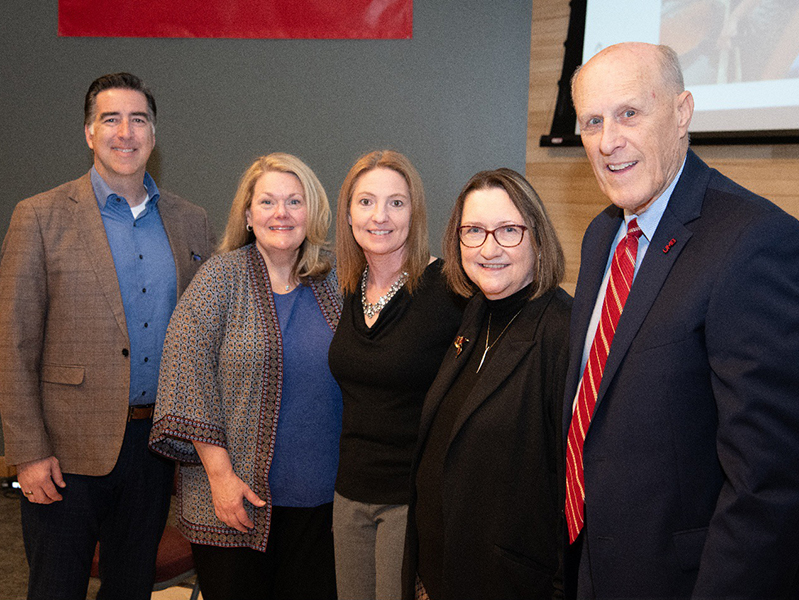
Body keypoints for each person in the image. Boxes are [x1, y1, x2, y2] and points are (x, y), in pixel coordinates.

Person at [564, 42, 799, 598]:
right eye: (592, 121)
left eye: (629, 113)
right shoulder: (603, 235)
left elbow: (768, 480)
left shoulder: (752, 241)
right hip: (595, 563)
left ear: (682, 112)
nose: (608, 140)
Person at [0, 72, 215, 600]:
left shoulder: (191, 221)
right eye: (110, 119)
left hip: (154, 450)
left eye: (138, 119)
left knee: (131, 588)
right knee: (56, 588)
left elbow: (205, 337)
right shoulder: (40, 216)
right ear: (89, 133)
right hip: (63, 454)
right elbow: (13, 343)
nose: (126, 131)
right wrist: (27, 453)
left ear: (154, 135)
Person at [149, 153, 341, 600]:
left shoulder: (335, 280)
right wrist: (220, 478)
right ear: (249, 214)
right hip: (235, 502)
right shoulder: (219, 278)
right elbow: (186, 376)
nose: (282, 213)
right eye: (268, 201)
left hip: (323, 502)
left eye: (295, 201)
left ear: (312, 212)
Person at [403, 168, 571, 600]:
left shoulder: (564, 334)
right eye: (473, 230)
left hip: (509, 584)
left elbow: (573, 495)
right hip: (437, 575)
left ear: (537, 236)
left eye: (508, 230)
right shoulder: (477, 313)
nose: (488, 247)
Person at [328, 150, 464, 600]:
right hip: (349, 492)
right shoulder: (346, 288)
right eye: (365, 202)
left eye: (396, 203)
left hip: (411, 498)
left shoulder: (450, 290)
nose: (379, 216)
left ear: (415, 212)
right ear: (348, 214)